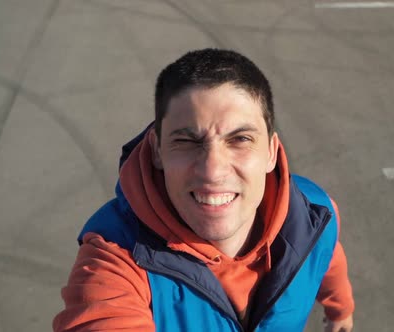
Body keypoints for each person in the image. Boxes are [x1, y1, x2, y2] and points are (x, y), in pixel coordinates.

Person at [53, 49, 355, 332]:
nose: (212, 170)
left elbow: (325, 256)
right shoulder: (115, 259)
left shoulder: (316, 215)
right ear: (157, 150)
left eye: (240, 139)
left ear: (271, 153)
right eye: (186, 142)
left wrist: (340, 310)